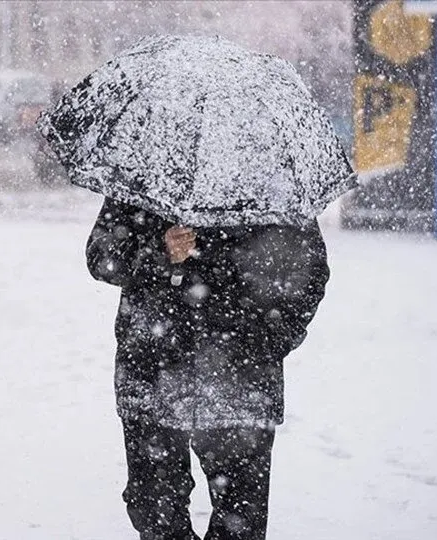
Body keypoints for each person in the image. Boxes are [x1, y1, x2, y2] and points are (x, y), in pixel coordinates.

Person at [86, 198, 330, 540]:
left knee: (241, 518)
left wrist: (268, 340)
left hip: (241, 381)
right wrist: (159, 250)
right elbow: (101, 256)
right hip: (153, 372)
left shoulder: (269, 181)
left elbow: (309, 271)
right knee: (156, 513)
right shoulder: (148, 171)